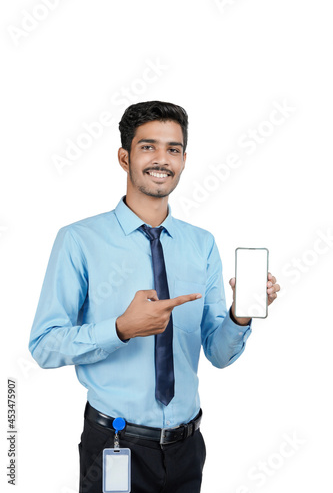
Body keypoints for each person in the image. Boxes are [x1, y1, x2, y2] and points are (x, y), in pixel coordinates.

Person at [29, 100, 280, 493]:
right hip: (116, 447)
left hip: (187, 449)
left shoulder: (201, 244)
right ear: (124, 157)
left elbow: (218, 354)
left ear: (183, 159)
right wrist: (120, 329)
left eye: (173, 149)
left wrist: (240, 316)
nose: (162, 159)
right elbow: (44, 346)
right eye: (148, 147)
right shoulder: (79, 240)